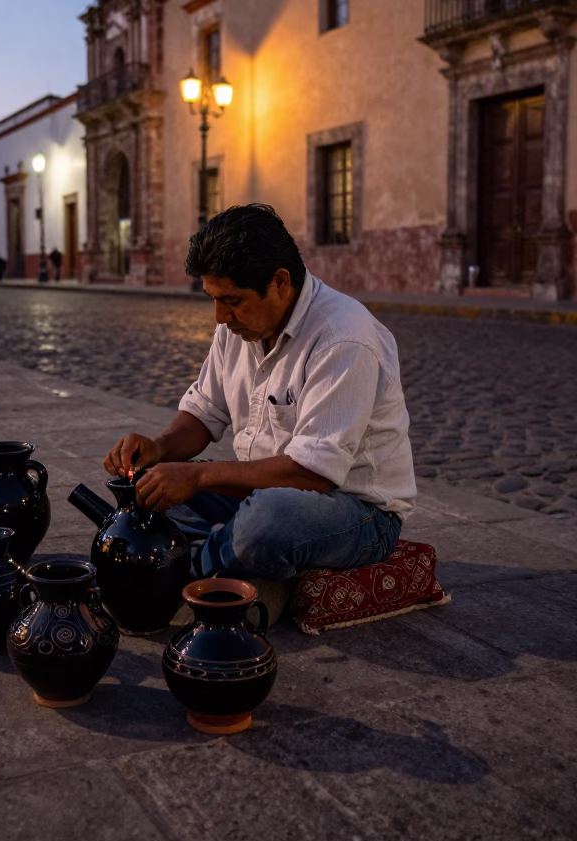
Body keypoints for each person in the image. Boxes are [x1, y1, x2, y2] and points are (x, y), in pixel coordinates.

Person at [104, 204, 415, 603]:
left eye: (232, 300)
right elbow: (203, 413)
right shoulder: (238, 328)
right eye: (213, 299)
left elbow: (314, 475)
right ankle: (234, 563)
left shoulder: (343, 337)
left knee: (267, 522)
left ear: (280, 282)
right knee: (148, 488)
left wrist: (198, 478)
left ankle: (183, 576)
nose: (220, 316)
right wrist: (159, 448)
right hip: (259, 491)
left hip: (355, 512)